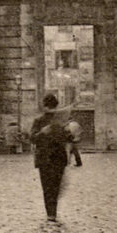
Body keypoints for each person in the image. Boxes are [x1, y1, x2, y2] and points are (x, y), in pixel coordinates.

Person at [30, 93, 70, 222]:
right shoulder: (44, 121)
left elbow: (32, 138)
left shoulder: (42, 121)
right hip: (55, 157)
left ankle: (51, 213)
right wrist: (43, 132)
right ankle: (52, 213)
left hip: (47, 158)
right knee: (54, 186)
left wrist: (41, 133)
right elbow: (33, 138)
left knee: (48, 186)